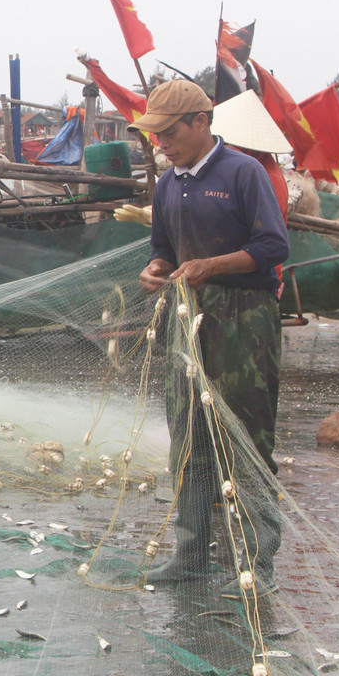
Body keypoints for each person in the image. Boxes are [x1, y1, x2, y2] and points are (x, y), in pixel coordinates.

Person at [133, 80, 289, 597]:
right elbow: (162, 246)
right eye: (155, 135)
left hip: (244, 318)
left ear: (201, 122)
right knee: (189, 436)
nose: (162, 144)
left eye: (170, 133)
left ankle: (258, 565)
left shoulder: (243, 172)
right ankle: (191, 556)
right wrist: (158, 268)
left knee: (246, 437)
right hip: (188, 315)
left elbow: (273, 245)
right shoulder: (166, 184)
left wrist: (212, 265)